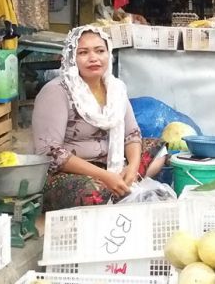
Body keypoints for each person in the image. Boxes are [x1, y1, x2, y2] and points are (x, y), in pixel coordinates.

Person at [32, 25, 164, 211]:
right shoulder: (56, 91)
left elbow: (132, 134)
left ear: (108, 54)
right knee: (94, 193)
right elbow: (49, 152)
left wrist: (132, 168)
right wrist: (104, 176)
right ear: (72, 58)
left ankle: (125, 183)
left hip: (113, 162)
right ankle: (119, 190)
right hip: (71, 172)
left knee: (160, 151)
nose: (93, 58)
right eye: (83, 52)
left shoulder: (115, 88)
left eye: (100, 51)